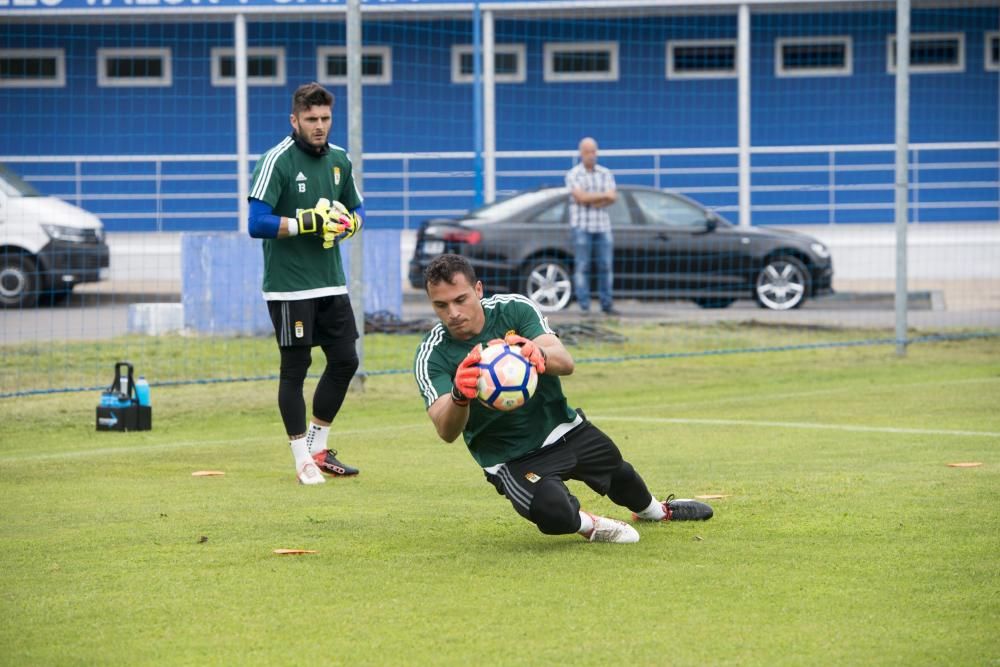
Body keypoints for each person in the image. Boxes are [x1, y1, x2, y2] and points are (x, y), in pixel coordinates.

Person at [413, 254, 712, 543]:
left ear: (478, 290)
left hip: (561, 428)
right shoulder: (432, 354)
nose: (453, 312)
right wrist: (459, 396)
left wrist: (538, 353)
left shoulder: (514, 309)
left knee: (619, 472)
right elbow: (446, 429)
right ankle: (593, 525)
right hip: (510, 457)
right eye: (441, 305)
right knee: (553, 511)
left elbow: (565, 362)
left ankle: (657, 513)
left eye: (460, 299)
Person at [247, 82, 365, 485]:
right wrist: (304, 223)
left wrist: (351, 224)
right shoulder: (275, 160)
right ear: (294, 120)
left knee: (346, 360)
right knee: (295, 368)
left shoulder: (339, 160)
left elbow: (357, 207)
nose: (319, 126)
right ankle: (301, 459)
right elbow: (255, 223)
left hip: (331, 282)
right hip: (289, 287)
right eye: (311, 119)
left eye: (325, 119)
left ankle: (318, 446)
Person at [565, 137, 619, 316]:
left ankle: (607, 305)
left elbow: (613, 197)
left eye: (594, 151)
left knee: (605, 266)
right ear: (581, 153)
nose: (591, 155)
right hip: (581, 227)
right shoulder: (574, 174)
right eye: (588, 151)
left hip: (602, 227)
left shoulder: (605, 173)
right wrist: (601, 197)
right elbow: (581, 197)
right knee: (582, 266)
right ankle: (585, 307)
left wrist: (591, 198)